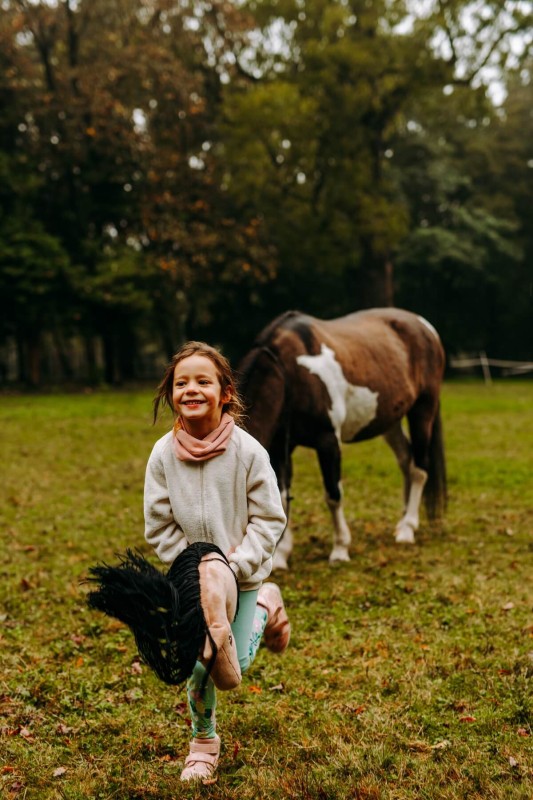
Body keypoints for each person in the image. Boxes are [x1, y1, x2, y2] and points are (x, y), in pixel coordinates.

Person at [144, 341, 290, 782]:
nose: (191, 389)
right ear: (171, 393)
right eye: (181, 382)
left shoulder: (249, 453)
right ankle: (203, 742)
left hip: (243, 580)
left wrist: (237, 566)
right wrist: (189, 568)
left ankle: (268, 603)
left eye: (203, 381)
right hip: (192, 584)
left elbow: (269, 518)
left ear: (225, 392)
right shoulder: (163, 455)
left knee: (236, 665)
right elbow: (159, 524)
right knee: (201, 660)